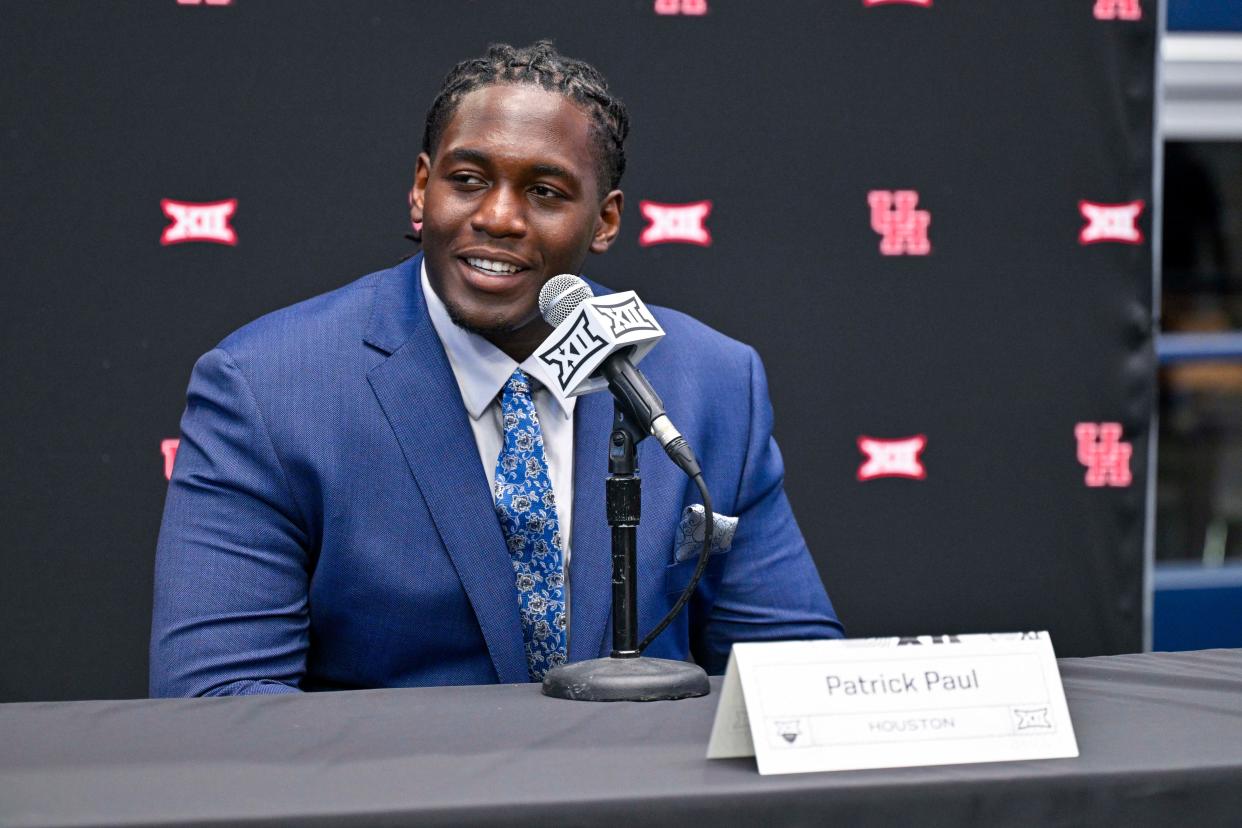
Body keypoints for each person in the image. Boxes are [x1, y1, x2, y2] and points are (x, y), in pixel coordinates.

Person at [149, 41, 842, 697]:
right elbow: (219, 700)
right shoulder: (270, 388)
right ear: (422, 190)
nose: (499, 217)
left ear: (604, 222)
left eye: (545, 192)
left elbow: (797, 678)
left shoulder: (709, 381)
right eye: (468, 180)